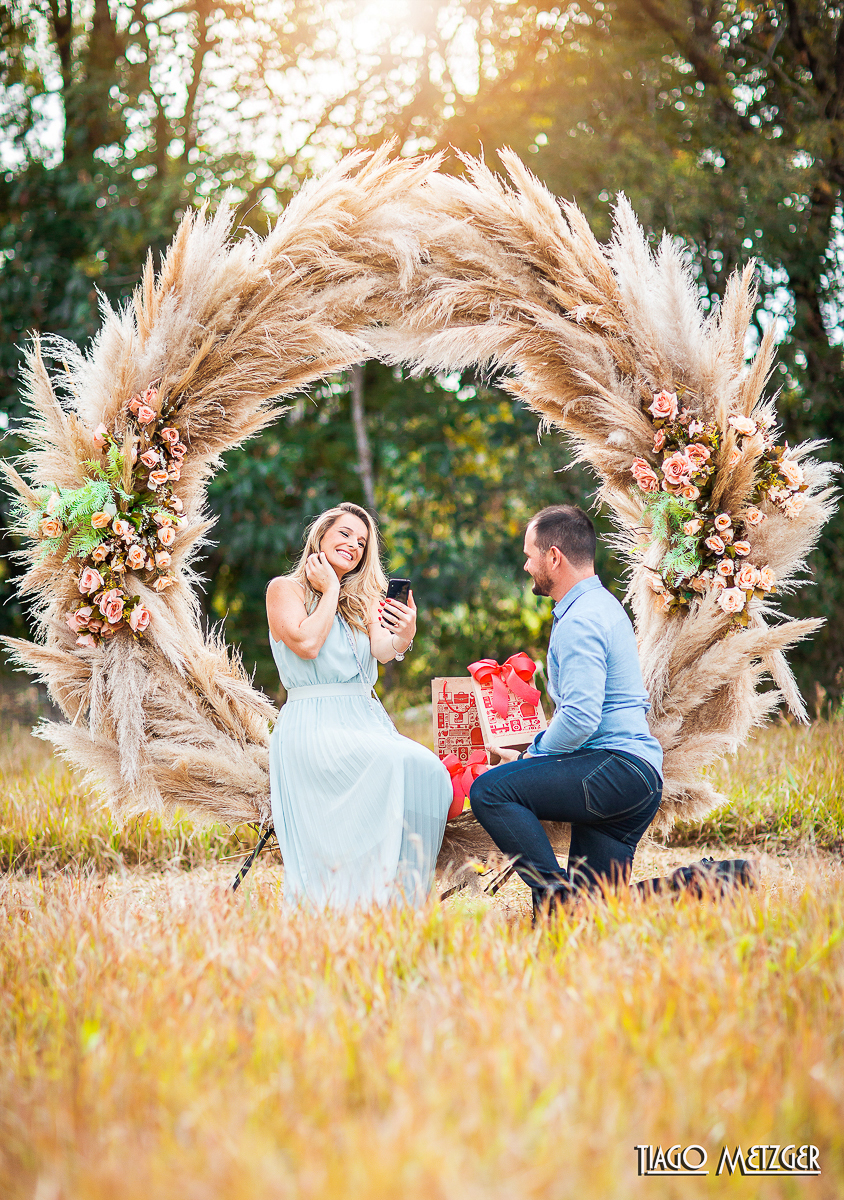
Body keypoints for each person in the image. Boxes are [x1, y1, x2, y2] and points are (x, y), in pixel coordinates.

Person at [469, 505, 664, 911]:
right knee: (594, 909)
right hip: (636, 777)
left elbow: (579, 718)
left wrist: (529, 757)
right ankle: (720, 879)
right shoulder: (602, 605)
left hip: (614, 770)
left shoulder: (582, 619)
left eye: (529, 555)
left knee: (490, 790)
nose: (525, 566)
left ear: (554, 557)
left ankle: (552, 893)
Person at [266, 502, 451, 909]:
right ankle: (342, 898)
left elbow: (382, 652)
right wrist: (330, 588)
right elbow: (308, 643)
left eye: (362, 542)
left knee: (429, 770)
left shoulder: (363, 599)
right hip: (313, 727)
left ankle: (397, 899)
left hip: (362, 719)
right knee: (391, 762)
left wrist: (405, 634)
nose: (354, 545)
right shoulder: (285, 590)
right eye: (345, 534)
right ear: (321, 535)